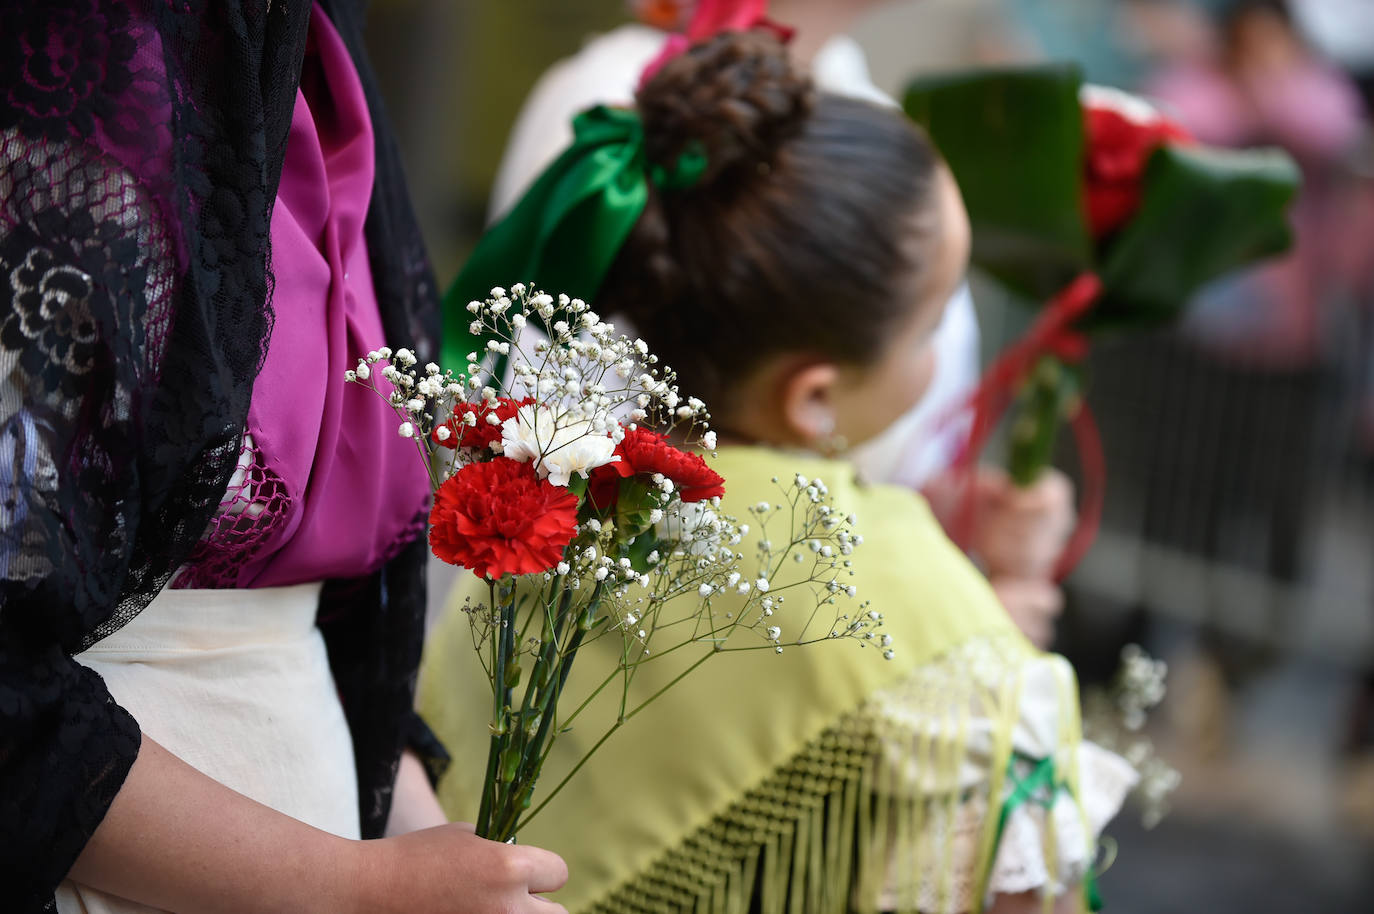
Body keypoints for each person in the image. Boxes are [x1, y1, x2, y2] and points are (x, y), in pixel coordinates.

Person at [421, 31, 1134, 914]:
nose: (940, 351)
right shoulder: (923, 612)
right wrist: (995, 615)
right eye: (931, 324)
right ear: (817, 396)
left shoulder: (550, 522)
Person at [1, 3, 566, 911]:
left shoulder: (314, 44)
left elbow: (326, 618)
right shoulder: (80, 49)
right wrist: (352, 885)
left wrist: (418, 839)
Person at [480, 0, 1071, 649]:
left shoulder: (850, 99)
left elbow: (817, 435)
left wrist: (947, 516)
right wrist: (954, 648)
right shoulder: (620, 118)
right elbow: (584, 512)